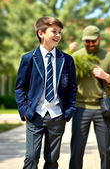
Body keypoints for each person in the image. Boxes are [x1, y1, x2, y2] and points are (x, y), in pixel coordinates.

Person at [15, 16, 77, 169]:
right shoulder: (29, 59)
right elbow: (20, 87)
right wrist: (24, 110)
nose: (58, 35)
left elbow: (72, 88)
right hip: (35, 114)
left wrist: (68, 111)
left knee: (52, 159)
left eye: (59, 32)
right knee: (31, 157)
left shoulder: (66, 60)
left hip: (57, 115)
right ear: (41, 33)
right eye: (54, 31)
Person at [69, 25, 110, 169]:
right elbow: (65, 81)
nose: (91, 44)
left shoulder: (109, 58)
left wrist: (106, 76)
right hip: (80, 108)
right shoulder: (76, 58)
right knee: (77, 150)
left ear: (99, 39)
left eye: (93, 41)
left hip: (102, 109)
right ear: (83, 40)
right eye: (87, 41)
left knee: (105, 149)